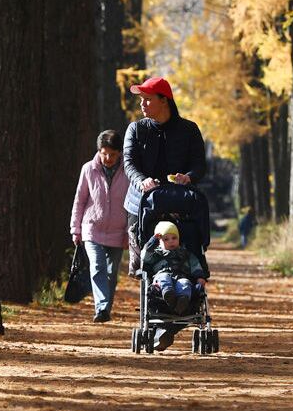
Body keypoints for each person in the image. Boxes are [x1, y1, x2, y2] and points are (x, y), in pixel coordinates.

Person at [122, 76, 207, 273]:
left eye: (148, 99)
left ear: (164, 101)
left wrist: (189, 177)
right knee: (142, 265)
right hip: (142, 203)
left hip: (179, 203)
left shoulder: (189, 130)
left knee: (188, 248)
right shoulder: (136, 129)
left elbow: (199, 165)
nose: (142, 104)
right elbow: (129, 163)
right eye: (141, 99)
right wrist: (142, 180)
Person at [71, 130, 131, 322]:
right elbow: (79, 201)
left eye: (113, 154)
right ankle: (102, 308)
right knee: (97, 266)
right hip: (92, 228)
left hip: (118, 231)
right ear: (99, 151)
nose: (108, 158)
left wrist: (129, 233)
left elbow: (132, 205)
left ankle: (105, 308)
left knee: (112, 274)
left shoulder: (128, 172)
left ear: (119, 153)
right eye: (104, 153)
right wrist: (76, 229)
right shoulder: (88, 169)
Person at [140, 221, 207, 315]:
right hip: (161, 277)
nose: (171, 241)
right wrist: (153, 241)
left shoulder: (186, 254)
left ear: (179, 239)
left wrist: (200, 277)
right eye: (166, 239)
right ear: (159, 242)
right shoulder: (156, 254)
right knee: (164, 278)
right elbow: (144, 257)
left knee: (185, 283)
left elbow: (195, 265)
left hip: (181, 277)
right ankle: (168, 293)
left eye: (174, 238)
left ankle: (181, 303)